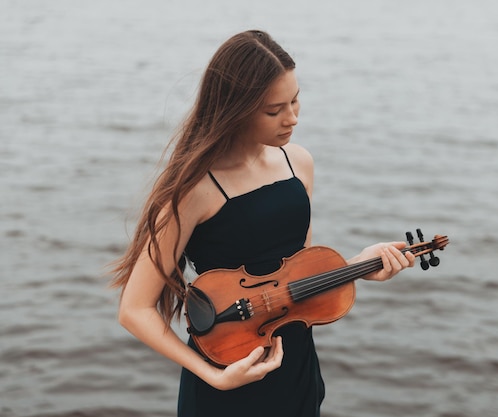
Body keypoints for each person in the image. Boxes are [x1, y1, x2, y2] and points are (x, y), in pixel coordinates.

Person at [110, 29, 415, 417]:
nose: (292, 119)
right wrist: (214, 376)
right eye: (274, 110)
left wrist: (359, 266)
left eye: (296, 100)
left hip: (297, 367)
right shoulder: (193, 190)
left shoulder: (298, 163)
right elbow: (134, 309)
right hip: (227, 374)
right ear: (235, 110)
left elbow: (292, 276)